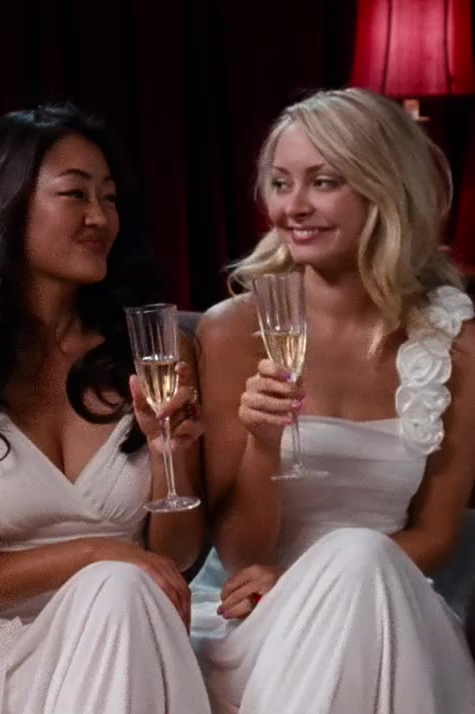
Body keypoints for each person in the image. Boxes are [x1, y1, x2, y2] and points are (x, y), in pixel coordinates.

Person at [0, 103, 211, 714]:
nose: (100, 217)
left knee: (123, 593)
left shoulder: (158, 352)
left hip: (129, 629)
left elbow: (174, 557)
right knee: (118, 583)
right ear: (7, 204)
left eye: (109, 198)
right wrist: (97, 553)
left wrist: (169, 455)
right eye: (75, 194)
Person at [193, 87, 475, 713]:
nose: (293, 207)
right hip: (260, 618)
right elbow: (240, 553)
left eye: (323, 182)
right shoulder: (231, 330)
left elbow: (436, 534)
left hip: (393, 608)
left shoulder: (456, 341)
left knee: (361, 553)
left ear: (384, 188)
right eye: (280, 183)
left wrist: (315, 579)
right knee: (354, 557)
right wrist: (263, 442)